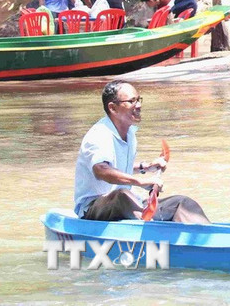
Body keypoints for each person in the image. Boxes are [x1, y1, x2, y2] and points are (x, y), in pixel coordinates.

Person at [74, 80, 210, 223]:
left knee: (182, 203)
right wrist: (141, 181)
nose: (138, 105)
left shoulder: (130, 132)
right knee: (122, 196)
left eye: (139, 100)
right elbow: (101, 170)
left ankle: (206, 237)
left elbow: (116, 166)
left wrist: (145, 167)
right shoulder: (99, 135)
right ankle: (152, 230)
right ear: (113, 108)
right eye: (132, 101)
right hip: (92, 209)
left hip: (126, 202)